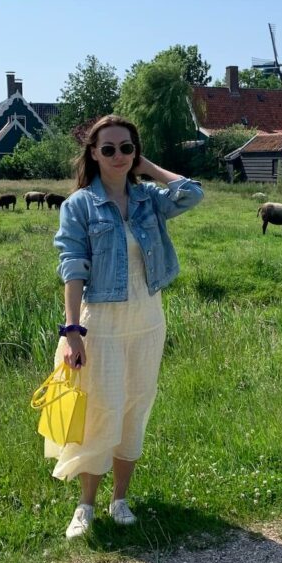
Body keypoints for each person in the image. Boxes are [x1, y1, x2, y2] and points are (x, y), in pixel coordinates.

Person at [50, 114, 204, 539]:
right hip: (102, 323)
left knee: (135, 408)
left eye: (127, 148)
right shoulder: (78, 206)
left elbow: (192, 194)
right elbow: (73, 266)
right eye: (109, 149)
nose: (118, 156)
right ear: (93, 155)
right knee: (101, 411)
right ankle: (85, 506)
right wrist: (72, 330)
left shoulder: (147, 199)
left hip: (147, 319)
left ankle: (121, 499)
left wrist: (150, 169)